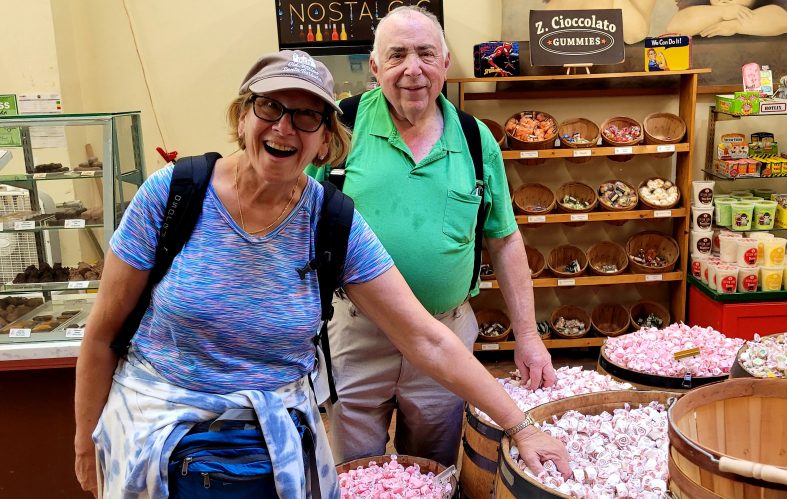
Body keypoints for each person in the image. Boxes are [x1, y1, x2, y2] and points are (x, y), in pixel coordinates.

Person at [73, 49, 570, 498]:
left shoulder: (331, 221)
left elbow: (428, 338)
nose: (285, 128)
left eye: (307, 116)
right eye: (270, 107)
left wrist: (520, 425)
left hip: (275, 450)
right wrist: (83, 443)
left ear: (327, 140)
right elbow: (102, 335)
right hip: (155, 442)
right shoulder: (174, 194)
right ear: (242, 116)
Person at [303, 6, 557, 467]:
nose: (412, 69)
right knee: (354, 471)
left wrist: (528, 336)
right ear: (375, 67)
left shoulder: (476, 140)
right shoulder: (338, 128)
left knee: (433, 471)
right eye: (397, 55)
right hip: (356, 335)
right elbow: (294, 220)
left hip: (447, 332)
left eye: (425, 54)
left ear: (445, 63)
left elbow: (505, 240)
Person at [668, 0, 787, 38]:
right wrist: (722, 11)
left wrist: (736, 25)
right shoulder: (697, 8)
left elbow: (782, 19)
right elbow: (675, 27)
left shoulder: (772, 9)